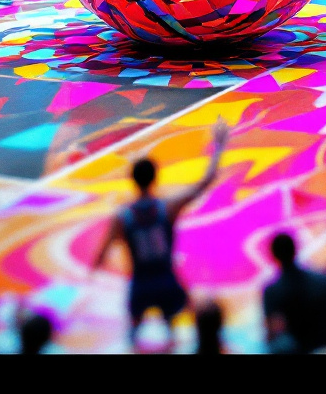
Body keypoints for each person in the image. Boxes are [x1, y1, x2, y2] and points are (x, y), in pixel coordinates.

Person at [93, 117, 229, 345]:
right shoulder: (167, 208)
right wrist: (219, 146)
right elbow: (205, 182)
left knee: (133, 337)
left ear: (132, 181)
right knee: (181, 331)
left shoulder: (123, 216)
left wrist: (90, 279)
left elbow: (101, 254)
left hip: (141, 283)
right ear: (156, 178)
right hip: (166, 280)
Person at [263, 231, 326, 353]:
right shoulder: (322, 280)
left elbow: (271, 333)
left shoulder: (272, 292)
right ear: (295, 250)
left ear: (274, 255)